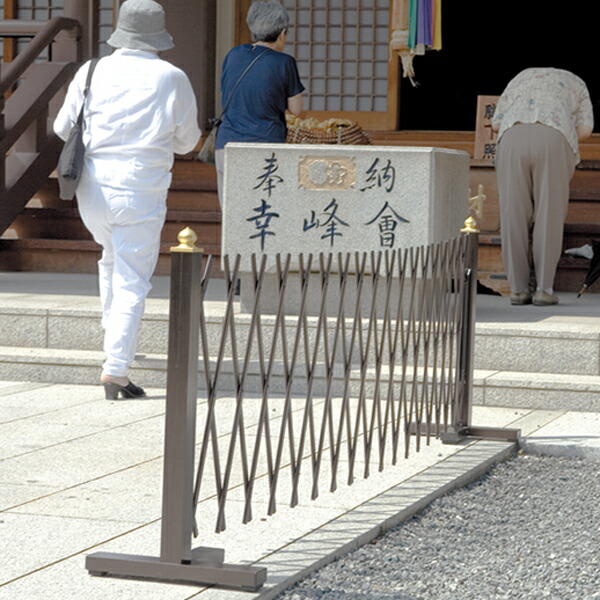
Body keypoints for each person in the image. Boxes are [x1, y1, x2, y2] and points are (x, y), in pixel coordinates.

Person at [54, 0, 201, 399]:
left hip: (92, 188)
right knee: (132, 278)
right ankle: (115, 369)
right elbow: (188, 142)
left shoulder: (92, 69)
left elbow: (61, 125)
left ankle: (112, 347)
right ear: (158, 36)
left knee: (111, 259)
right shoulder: (171, 78)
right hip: (139, 187)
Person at [491, 67, 594, 306]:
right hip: (553, 137)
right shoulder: (576, 81)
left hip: (511, 136)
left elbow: (496, 124)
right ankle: (544, 289)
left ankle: (517, 289)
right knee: (549, 214)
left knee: (512, 213)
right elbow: (586, 130)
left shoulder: (519, 76)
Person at [214, 0, 305, 203]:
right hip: (265, 146)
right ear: (282, 33)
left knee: (232, 214)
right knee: (264, 212)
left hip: (227, 145)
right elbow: (296, 109)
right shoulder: (284, 62)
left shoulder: (233, 55)